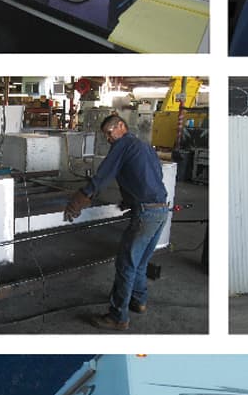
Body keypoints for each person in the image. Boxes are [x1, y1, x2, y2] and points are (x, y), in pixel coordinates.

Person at [64, 114, 170, 331]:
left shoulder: (123, 145)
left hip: (146, 214)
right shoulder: (144, 146)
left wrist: (80, 198)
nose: (109, 139)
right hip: (161, 210)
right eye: (105, 135)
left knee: (126, 265)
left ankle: (117, 317)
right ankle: (138, 302)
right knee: (140, 263)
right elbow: (153, 175)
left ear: (121, 126)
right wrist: (130, 199)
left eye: (109, 133)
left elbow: (103, 175)